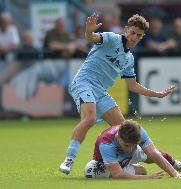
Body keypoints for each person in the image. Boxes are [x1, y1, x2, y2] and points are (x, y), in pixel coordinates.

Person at [59, 14, 175, 174]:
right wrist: (88, 31)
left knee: (126, 131)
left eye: (139, 35)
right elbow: (91, 37)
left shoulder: (129, 58)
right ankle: (69, 159)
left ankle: (169, 163)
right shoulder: (112, 39)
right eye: (133, 32)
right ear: (126, 30)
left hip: (100, 91)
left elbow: (133, 85)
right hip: (84, 82)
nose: (134, 37)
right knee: (90, 118)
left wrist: (157, 94)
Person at [85, 120, 181, 179]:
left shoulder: (139, 132)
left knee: (151, 156)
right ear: (119, 137)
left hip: (123, 157)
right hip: (111, 162)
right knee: (142, 171)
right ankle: (129, 166)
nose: (130, 149)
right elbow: (118, 175)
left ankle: (177, 165)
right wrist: (149, 177)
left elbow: (154, 154)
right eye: (127, 145)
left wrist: (175, 174)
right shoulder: (106, 144)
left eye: (134, 145)